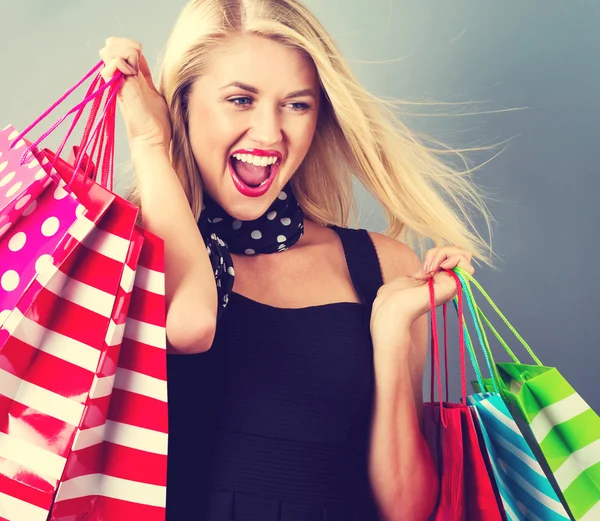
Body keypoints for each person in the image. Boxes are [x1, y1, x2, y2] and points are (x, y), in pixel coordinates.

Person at [99, 0, 491, 519]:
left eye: (297, 105)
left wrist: (392, 329)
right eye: (240, 99)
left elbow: (407, 510)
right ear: (183, 104)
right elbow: (190, 326)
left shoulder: (382, 267)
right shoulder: (120, 253)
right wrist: (151, 144)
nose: (268, 133)